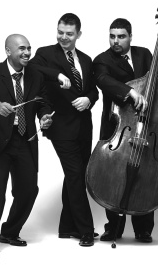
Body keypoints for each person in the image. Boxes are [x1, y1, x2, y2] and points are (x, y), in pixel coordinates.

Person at [92, 18, 158, 243]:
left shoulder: (145, 54)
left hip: (147, 127)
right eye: (112, 36)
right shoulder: (102, 60)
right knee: (112, 172)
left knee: (147, 170)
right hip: (119, 126)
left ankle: (144, 228)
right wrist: (131, 92)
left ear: (130, 36)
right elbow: (103, 80)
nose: (116, 41)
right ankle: (114, 227)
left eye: (121, 36)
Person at [0, 34, 53, 258]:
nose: (27, 53)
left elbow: (42, 102)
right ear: (8, 51)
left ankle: (9, 231)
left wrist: (45, 116)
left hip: (25, 139)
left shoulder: (36, 75)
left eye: (29, 48)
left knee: (28, 190)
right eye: (21, 49)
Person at [27, 13, 99, 247]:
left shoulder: (86, 60)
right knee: (76, 174)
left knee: (78, 175)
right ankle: (86, 229)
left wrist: (88, 99)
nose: (64, 37)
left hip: (84, 126)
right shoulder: (45, 54)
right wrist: (57, 74)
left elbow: (94, 91)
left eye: (69, 34)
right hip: (60, 126)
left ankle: (67, 226)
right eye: (60, 32)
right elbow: (34, 67)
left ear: (79, 34)